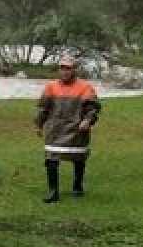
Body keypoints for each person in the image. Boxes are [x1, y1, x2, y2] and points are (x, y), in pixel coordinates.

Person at [35, 56, 101, 203]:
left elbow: (93, 108)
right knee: (51, 159)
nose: (64, 71)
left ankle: (77, 186)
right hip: (55, 130)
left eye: (68, 68)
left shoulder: (85, 87)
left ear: (74, 70)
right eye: (62, 68)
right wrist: (39, 125)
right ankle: (53, 191)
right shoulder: (51, 87)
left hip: (77, 129)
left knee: (78, 158)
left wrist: (88, 120)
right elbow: (42, 108)